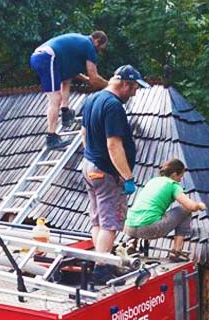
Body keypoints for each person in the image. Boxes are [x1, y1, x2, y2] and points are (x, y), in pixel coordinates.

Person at [81, 64, 150, 284]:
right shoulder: (113, 106)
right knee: (110, 224)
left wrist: (92, 155)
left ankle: (103, 261)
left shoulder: (93, 99)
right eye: (134, 88)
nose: (135, 93)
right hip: (107, 173)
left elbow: (84, 133)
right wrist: (127, 176)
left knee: (98, 221)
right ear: (125, 84)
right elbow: (113, 145)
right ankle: (101, 270)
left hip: (90, 167)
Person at [30, 31, 109, 150]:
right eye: (101, 48)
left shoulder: (79, 44)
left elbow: (75, 73)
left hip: (44, 57)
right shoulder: (89, 46)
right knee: (55, 98)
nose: (100, 52)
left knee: (67, 78)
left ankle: (65, 110)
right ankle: (51, 137)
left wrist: (85, 79)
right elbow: (94, 78)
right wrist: (110, 85)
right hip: (47, 58)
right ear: (97, 41)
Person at [123, 159, 206, 261]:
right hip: (149, 228)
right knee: (185, 211)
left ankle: (131, 244)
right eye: (181, 176)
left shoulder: (152, 181)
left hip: (128, 227)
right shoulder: (173, 185)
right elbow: (190, 206)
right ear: (175, 174)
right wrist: (200, 205)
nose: (180, 180)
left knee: (145, 213)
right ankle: (176, 251)